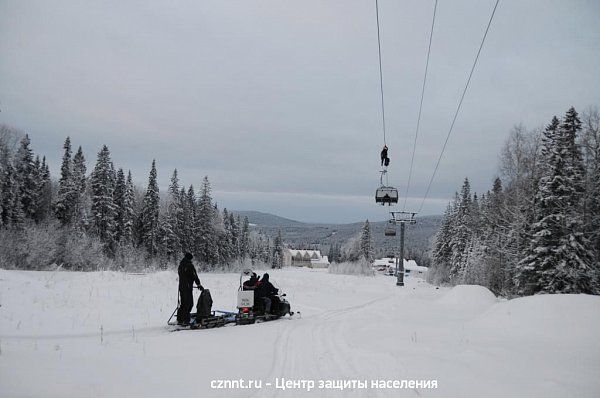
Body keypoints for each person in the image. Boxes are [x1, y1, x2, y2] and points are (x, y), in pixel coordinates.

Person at [177, 252, 202, 325]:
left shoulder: (181, 265)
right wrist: (199, 284)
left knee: (183, 303)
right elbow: (194, 275)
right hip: (187, 288)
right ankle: (186, 320)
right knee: (189, 303)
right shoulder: (189, 265)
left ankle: (180, 319)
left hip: (181, 287)